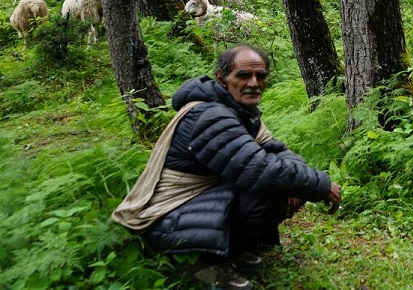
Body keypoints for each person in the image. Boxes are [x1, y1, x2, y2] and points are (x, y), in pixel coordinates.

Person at [112, 44, 341, 290]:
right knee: (271, 191)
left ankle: (229, 250)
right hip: (163, 218)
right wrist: (321, 185)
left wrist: (302, 184)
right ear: (222, 79)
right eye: (243, 75)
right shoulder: (211, 116)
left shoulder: (240, 111)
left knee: (284, 185)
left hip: (193, 206)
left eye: (260, 75)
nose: (253, 82)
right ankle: (199, 263)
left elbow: (277, 150)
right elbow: (259, 169)